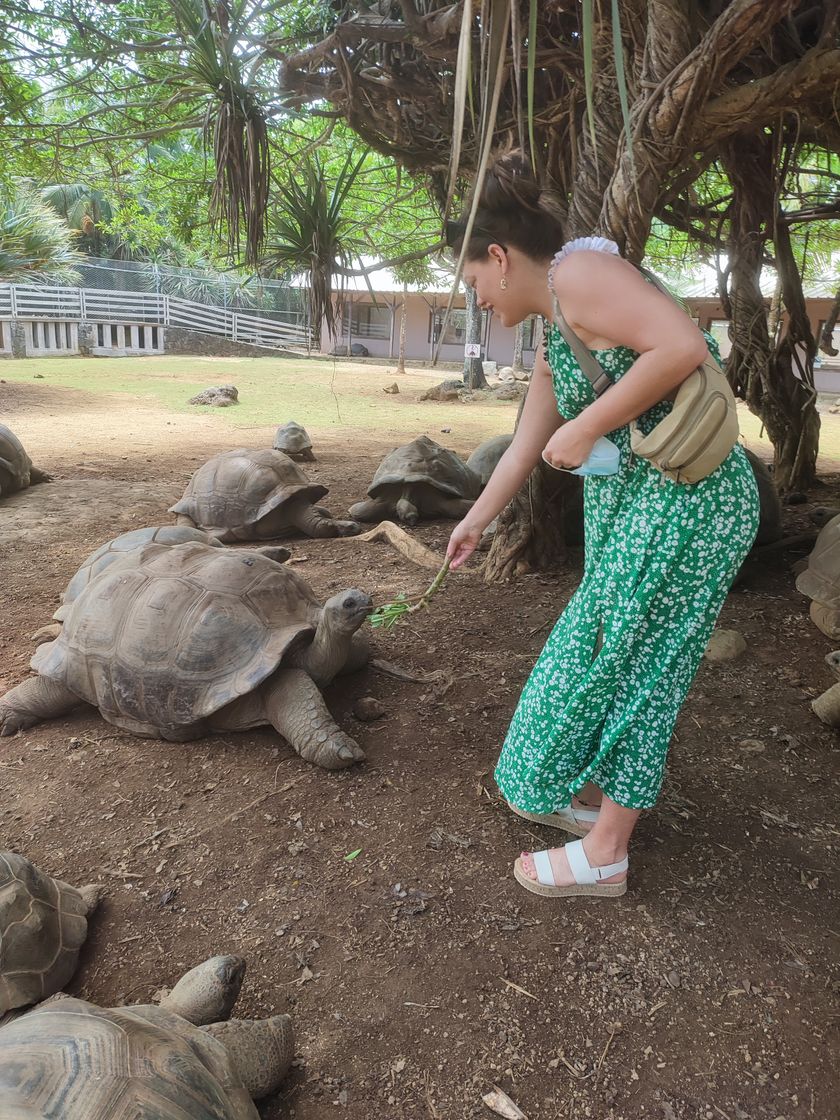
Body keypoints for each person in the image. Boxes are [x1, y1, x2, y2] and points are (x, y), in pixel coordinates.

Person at [445, 152, 759, 900]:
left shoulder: (579, 278)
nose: (478, 299)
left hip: (694, 503)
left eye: (474, 284)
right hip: (651, 510)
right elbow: (527, 441)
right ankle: (588, 802)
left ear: (499, 257)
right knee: (602, 651)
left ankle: (607, 852)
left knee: (645, 664)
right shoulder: (558, 324)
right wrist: (476, 520)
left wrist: (588, 428)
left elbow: (681, 345)